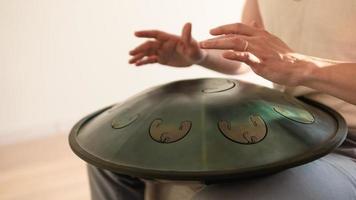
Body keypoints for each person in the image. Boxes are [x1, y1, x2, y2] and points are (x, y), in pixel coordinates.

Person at [88, 0, 356, 199]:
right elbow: (249, 55)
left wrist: (302, 67)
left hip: (348, 145)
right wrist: (199, 55)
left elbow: (287, 62)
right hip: (297, 128)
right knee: (111, 157)